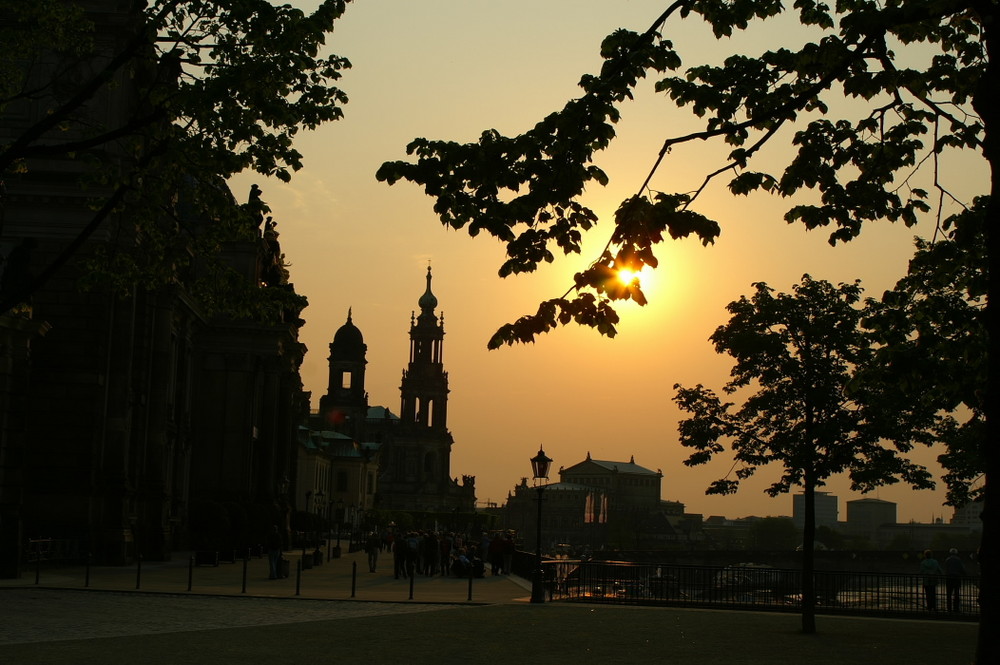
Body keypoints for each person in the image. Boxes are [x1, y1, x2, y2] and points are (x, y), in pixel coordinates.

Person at [944, 548, 966, 612]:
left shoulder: (947, 560)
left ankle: (949, 608)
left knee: (949, 594)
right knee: (956, 594)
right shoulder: (958, 560)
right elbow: (962, 569)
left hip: (949, 578)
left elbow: (946, 569)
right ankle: (956, 608)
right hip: (956, 578)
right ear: (956, 553)